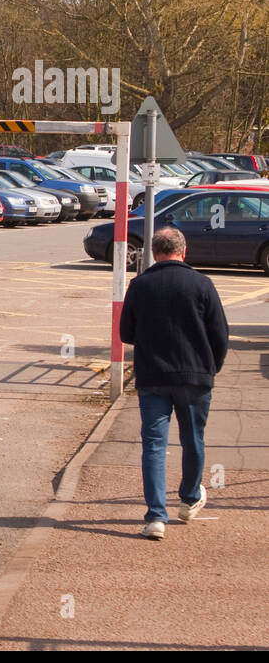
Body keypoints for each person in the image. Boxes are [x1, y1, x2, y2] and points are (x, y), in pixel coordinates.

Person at [119, 227, 228, 540]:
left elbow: (126, 333)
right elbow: (219, 334)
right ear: (184, 250)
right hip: (195, 377)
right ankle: (190, 496)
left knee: (154, 445)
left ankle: (156, 516)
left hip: (153, 376)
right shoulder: (202, 284)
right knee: (193, 438)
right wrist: (211, 368)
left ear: (154, 253)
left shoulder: (140, 285)